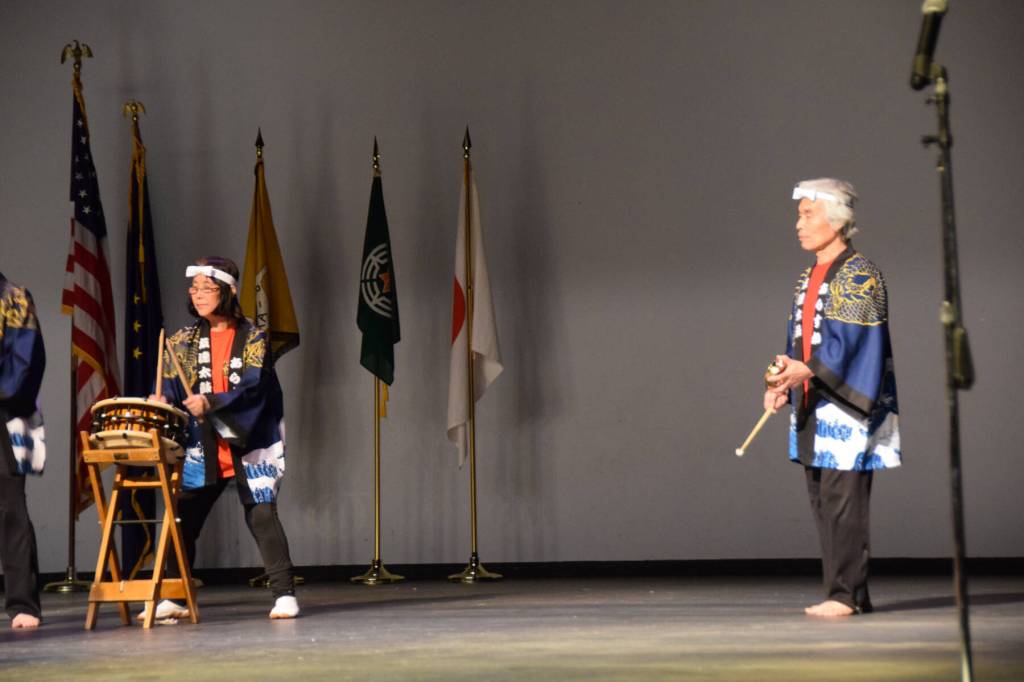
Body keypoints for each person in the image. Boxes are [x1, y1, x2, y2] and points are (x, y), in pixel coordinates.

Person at [764, 179, 900, 617]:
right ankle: (845, 593)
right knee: (823, 499)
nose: (798, 224)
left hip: (847, 405)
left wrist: (810, 369)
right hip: (814, 402)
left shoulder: (859, 273)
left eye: (807, 214)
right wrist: (781, 381)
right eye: (799, 214)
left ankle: (846, 595)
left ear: (835, 220)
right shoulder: (808, 275)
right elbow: (798, 341)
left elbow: (854, 343)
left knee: (845, 502)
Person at [146, 256, 298, 620]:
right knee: (183, 516)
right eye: (193, 288)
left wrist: (211, 401)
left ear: (228, 291)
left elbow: (253, 387)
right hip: (203, 442)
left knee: (261, 514)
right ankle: (175, 594)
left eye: (206, 289)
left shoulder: (255, 337)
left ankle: (284, 594)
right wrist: (162, 399)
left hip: (250, 437)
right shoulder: (182, 340)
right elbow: (169, 384)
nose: (197, 295)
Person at [0, 272, 46, 629]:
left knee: (9, 509)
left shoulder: (13, 297)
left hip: (4, 412)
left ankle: (22, 602)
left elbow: (26, 359)